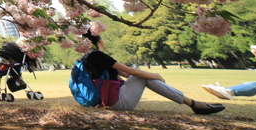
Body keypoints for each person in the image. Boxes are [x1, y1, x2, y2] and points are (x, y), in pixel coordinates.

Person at [79, 29, 223, 114]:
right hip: (117, 103)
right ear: (98, 39)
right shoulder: (97, 56)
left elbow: (127, 74)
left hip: (111, 100)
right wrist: (156, 76)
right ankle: (194, 104)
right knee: (141, 75)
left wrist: (149, 77)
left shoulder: (89, 57)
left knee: (142, 75)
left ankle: (194, 104)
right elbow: (133, 73)